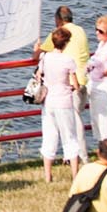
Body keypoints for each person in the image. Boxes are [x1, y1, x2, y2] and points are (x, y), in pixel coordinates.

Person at [40, 27, 84, 182]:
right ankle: (75, 175)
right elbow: (75, 84)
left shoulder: (45, 57)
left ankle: (47, 175)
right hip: (64, 102)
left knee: (49, 137)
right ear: (65, 43)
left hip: (48, 101)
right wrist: (75, 87)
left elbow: (40, 75)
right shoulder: (68, 60)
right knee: (70, 138)